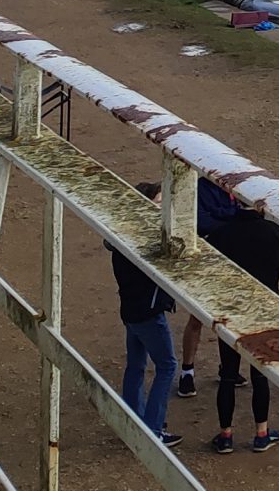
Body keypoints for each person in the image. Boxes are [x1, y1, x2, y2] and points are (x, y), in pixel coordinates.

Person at [206, 202, 279, 454]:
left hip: (231, 309)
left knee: (228, 374)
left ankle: (226, 435)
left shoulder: (221, 233)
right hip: (263, 309)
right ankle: (261, 433)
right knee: (260, 374)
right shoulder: (275, 232)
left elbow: (210, 267)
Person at [108, 180, 184, 447]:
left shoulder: (120, 239)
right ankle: (153, 430)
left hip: (130, 311)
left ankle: (132, 422)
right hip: (148, 314)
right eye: (157, 203)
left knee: (136, 365)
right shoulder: (146, 244)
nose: (161, 208)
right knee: (167, 366)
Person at [173, 179, 239, 399]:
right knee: (197, 318)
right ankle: (187, 372)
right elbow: (202, 222)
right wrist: (230, 218)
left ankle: (228, 368)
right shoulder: (200, 187)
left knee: (229, 318)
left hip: (231, 260)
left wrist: (225, 217)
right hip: (206, 262)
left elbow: (246, 216)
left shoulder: (235, 188)